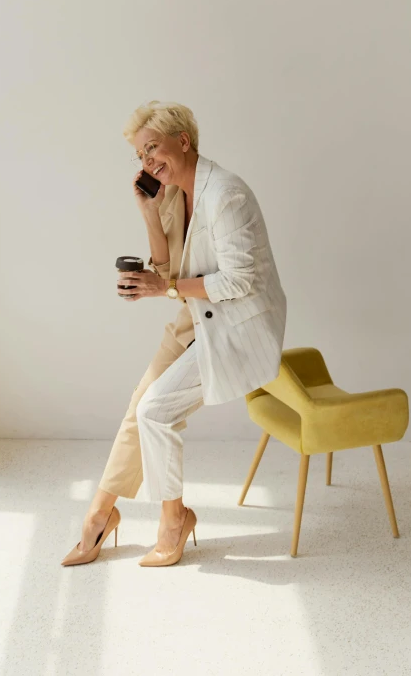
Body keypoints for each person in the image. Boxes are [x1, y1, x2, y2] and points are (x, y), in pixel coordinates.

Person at [61, 100, 287, 567]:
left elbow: (239, 281)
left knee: (154, 411)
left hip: (235, 323)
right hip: (194, 317)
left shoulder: (226, 194)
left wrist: (160, 287)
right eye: (141, 156)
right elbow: (166, 269)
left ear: (183, 141)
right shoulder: (167, 194)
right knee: (139, 406)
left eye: (154, 149)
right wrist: (148, 213)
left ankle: (173, 520)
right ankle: (100, 515)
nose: (148, 163)